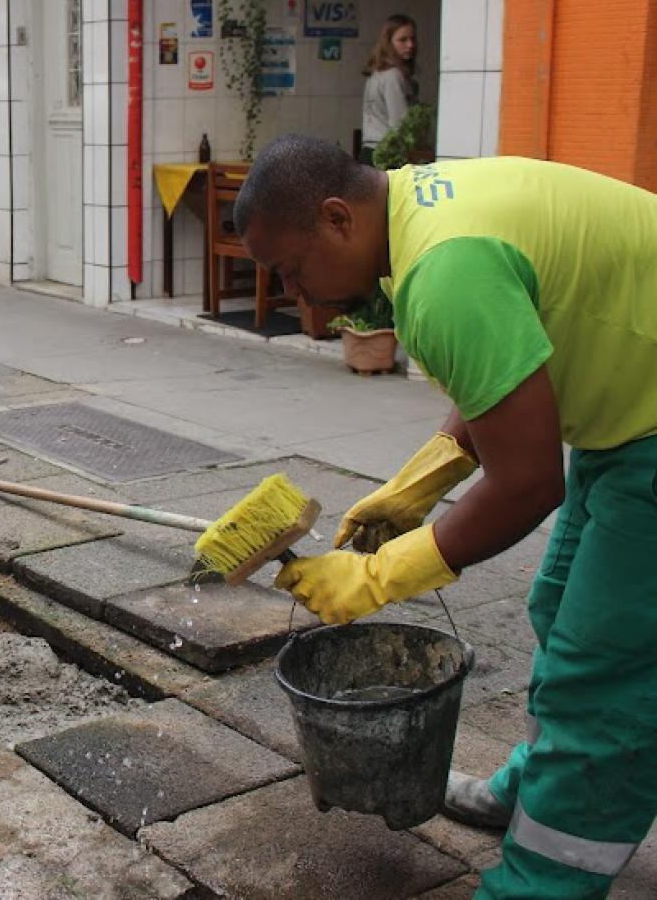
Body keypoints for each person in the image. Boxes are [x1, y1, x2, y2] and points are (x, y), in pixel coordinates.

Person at [233, 134, 657, 898]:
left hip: (647, 432)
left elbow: (528, 484)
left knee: (605, 670)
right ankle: (535, 786)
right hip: (630, 414)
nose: (304, 305)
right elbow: (505, 362)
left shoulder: (442, 271)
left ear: (336, 218)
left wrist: (377, 576)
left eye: (294, 274)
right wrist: (421, 483)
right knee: (558, 607)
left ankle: (540, 882)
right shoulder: (413, 212)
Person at [360, 14, 419, 164]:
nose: (410, 45)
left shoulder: (377, 74)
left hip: (370, 150)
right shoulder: (393, 76)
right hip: (387, 154)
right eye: (403, 40)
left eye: (412, 39)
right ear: (388, 43)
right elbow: (401, 125)